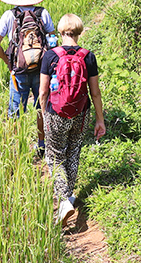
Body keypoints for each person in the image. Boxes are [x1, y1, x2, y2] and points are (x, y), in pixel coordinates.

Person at [38, 13, 106, 227]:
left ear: (60, 31)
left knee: (55, 157)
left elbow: (42, 91)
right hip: (81, 113)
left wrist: (45, 113)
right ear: (79, 31)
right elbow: (95, 93)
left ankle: (65, 201)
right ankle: (69, 196)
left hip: (56, 113)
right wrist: (100, 119)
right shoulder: (88, 56)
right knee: (73, 152)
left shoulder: (50, 56)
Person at [0, 0, 57, 157]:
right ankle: (42, 145)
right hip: (41, 69)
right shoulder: (42, 13)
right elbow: (52, 40)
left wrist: (8, 61)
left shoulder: (9, 16)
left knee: (15, 111)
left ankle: (17, 149)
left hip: (18, 71)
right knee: (41, 106)